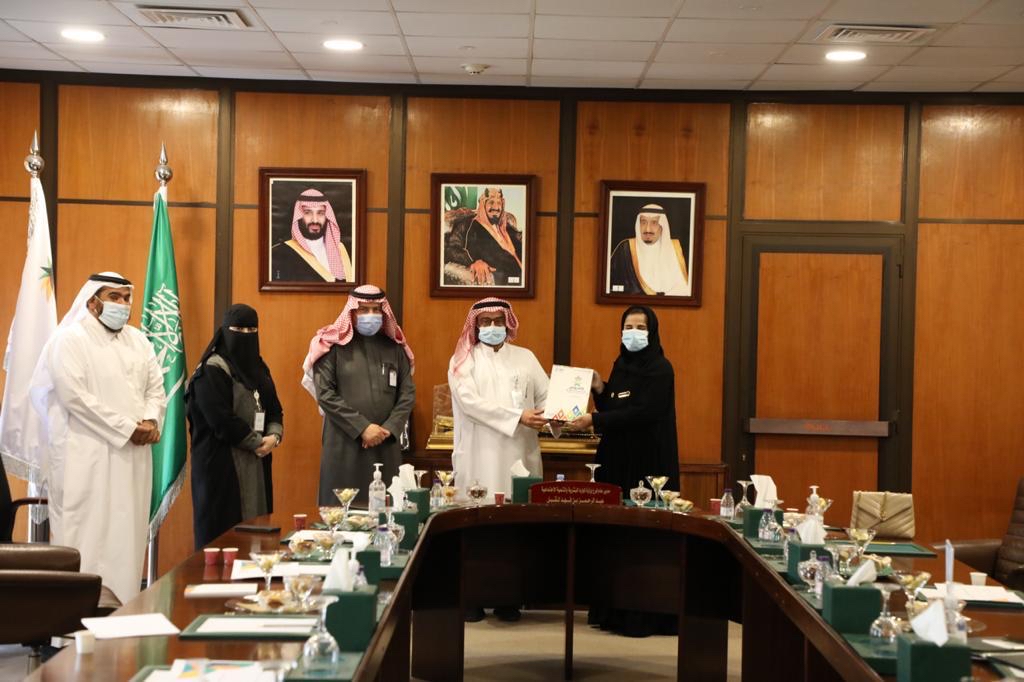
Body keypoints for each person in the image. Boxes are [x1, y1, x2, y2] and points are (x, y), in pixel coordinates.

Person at [29, 272, 166, 602]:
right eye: (114, 297)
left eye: (126, 298)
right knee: (86, 538)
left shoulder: (139, 341)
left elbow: (155, 390)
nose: (123, 304)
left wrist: (150, 420)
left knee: (127, 539)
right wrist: (127, 428)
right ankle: (74, 623)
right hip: (85, 458)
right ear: (92, 302)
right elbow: (74, 397)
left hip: (132, 458)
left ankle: (121, 616)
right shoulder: (69, 340)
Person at [570, 305, 679, 637]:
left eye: (640, 327)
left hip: (648, 465)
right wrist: (599, 389)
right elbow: (616, 407)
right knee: (614, 536)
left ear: (652, 332)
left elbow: (644, 412)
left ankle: (643, 615)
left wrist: (594, 419)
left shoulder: (660, 369)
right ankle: (612, 610)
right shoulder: (621, 365)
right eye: (628, 327)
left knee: (641, 538)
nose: (633, 333)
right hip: (617, 460)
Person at [448, 297, 550, 622]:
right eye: (485, 321)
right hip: (479, 457)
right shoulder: (463, 361)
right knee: (477, 528)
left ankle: (509, 599)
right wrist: (518, 416)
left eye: (498, 321)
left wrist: (560, 411)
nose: (492, 327)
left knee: (514, 529)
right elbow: (470, 404)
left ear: (508, 323)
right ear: (475, 325)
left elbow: (547, 396)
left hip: (520, 456)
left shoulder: (526, 358)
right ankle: (473, 599)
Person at [302, 285, 415, 506]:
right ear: (352, 312)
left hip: (385, 443)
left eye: (376, 310)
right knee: (342, 510)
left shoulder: (395, 348)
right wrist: (363, 428)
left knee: (386, 511)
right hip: (344, 443)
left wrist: (389, 428)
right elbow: (325, 394)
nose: (370, 315)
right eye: (363, 310)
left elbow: (407, 394)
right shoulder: (331, 347)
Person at [186, 304, 283, 550]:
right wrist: (256, 442)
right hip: (221, 467)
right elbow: (220, 420)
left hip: (258, 461)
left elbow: (275, 409)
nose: (246, 335)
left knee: (257, 531)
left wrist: (274, 436)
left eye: (252, 330)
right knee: (221, 536)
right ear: (225, 331)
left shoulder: (259, 368)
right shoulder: (211, 369)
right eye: (239, 330)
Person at [444, 187, 523, 286]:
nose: (496, 207)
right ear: (483, 204)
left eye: (499, 202)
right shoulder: (467, 224)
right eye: (491, 202)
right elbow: (451, 249)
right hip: (502, 282)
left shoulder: (505, 226)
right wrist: (474, 261)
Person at [271, 188, 354, 283]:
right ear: (299, 216)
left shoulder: (343, 250)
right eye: (307, 213)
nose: (315, 220)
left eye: (321, 213)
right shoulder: (279, 253)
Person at [608, 203, 690, 296]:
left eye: (654, 223)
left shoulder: (678, 249)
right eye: (643, 222)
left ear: (662, 226)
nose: (648, 229)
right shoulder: (625, 249)